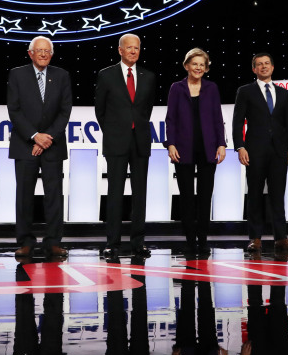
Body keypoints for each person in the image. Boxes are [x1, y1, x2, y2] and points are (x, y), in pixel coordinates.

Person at [6, 36, 72, 259]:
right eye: (39, 51)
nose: (43, 54)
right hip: (25, 144)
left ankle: (53, 242)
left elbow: (65, 111)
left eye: (47, 51)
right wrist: (35, 137)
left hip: (53, 145)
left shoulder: (62, 75)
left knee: (54, 196)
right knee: (24, 195)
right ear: (30, 53)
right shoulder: (17, 74)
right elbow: (14, 110)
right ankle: (25, 242)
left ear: (51, 54)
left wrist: (47, 138)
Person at [94, 33, 156, 259]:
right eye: (128, 48)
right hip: (116, 141)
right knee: (115, 193)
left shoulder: (148, 76)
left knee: (140, 194)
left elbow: (146, 108)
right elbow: (100, 110)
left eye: (136, 48)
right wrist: (113, 131)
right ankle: (112, 242)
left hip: (140, 141)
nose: (133, 51)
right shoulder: (106, 75)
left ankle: (138, 242)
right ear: (120, 50)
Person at [231, 53, 288, 256]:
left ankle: (281, 238)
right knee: (255, 195)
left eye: (267, 63)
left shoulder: (283, 93)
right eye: (259, 64)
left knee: (278, 195)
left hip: (278, 151)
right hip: (255, 151)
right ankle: (255, 239)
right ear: (254, 69)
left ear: (272, 67)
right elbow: (237, 121)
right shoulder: (245, 91)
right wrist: (240, 147)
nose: (263, 67)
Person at [163, 48, 227, 255]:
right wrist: (170, 143)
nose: (198, 67)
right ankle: (190, 241)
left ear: (206, 68)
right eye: (195, 64)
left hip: (208, 148)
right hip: (183, 149)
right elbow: (170, 118)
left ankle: (203, 240)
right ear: (187, 66)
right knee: (187, 197)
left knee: (205, 196)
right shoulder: (176, 88)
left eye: (202, 64)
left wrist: (221, 144)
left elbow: (218, 117)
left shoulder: (212, 88)